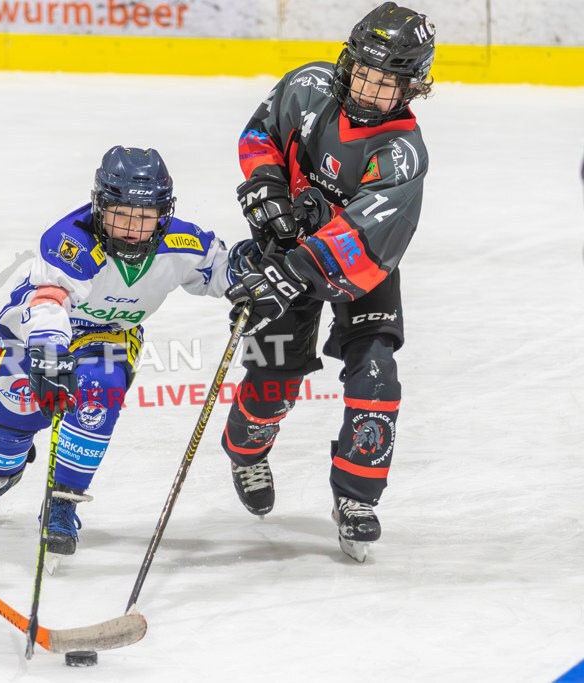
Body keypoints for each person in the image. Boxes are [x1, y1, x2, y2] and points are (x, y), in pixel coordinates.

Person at [0, 145, 234, 560]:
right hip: (36, 331)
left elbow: (221, 268)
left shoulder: (181, 241)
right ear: (100, 206)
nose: (133, 227)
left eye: (145, 215)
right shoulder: (70, 238)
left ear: (163, 213)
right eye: (120, 213)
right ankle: (1, 472)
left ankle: (63, 502)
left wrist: (249, 279)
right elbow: (47, 299)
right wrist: (48, 348)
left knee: (100, 394)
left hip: (111, 334)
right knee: (15, 414)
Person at [220, 2, 434, 562]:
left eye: (387, 81)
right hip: (285, 250)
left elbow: (362, 240)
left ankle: (358, 499)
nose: (370, 88)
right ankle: (245, 451)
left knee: (376, 373)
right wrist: (266, 186)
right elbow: (258, 133)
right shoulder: (308, 85)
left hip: (361, 270)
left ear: (411, 87)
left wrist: (289, 275)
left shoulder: (401, 153)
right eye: (364, 71)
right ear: (347, 62)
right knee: (274, 381)